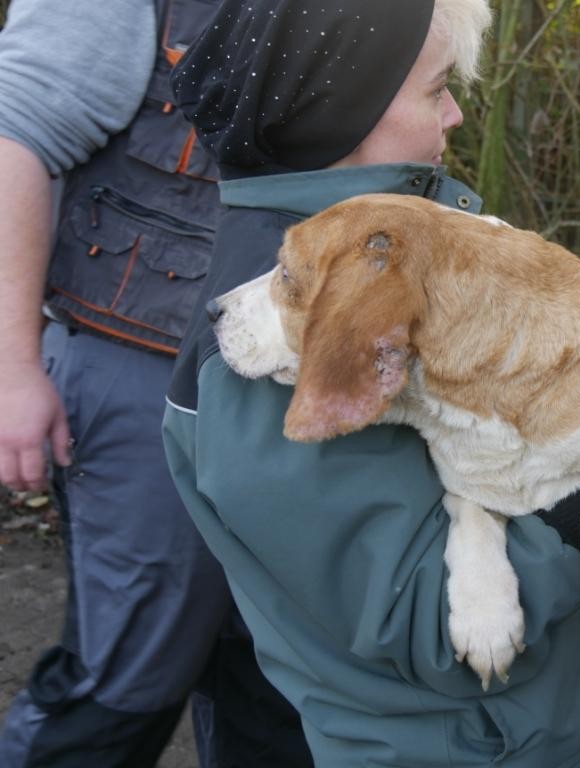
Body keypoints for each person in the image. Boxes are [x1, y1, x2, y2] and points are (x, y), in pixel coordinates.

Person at [162, 0, 580, 765]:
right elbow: (422, 621)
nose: (453, 114)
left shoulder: (414, 252)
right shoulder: (280, 344)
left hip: (544, 725)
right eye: (435, 88)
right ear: (336, 112)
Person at [0, 1, 311, 766]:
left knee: (279, 684)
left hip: (287, 386)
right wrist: (11, 368)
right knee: (124, 686)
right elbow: (18, 137)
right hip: (137, 366)